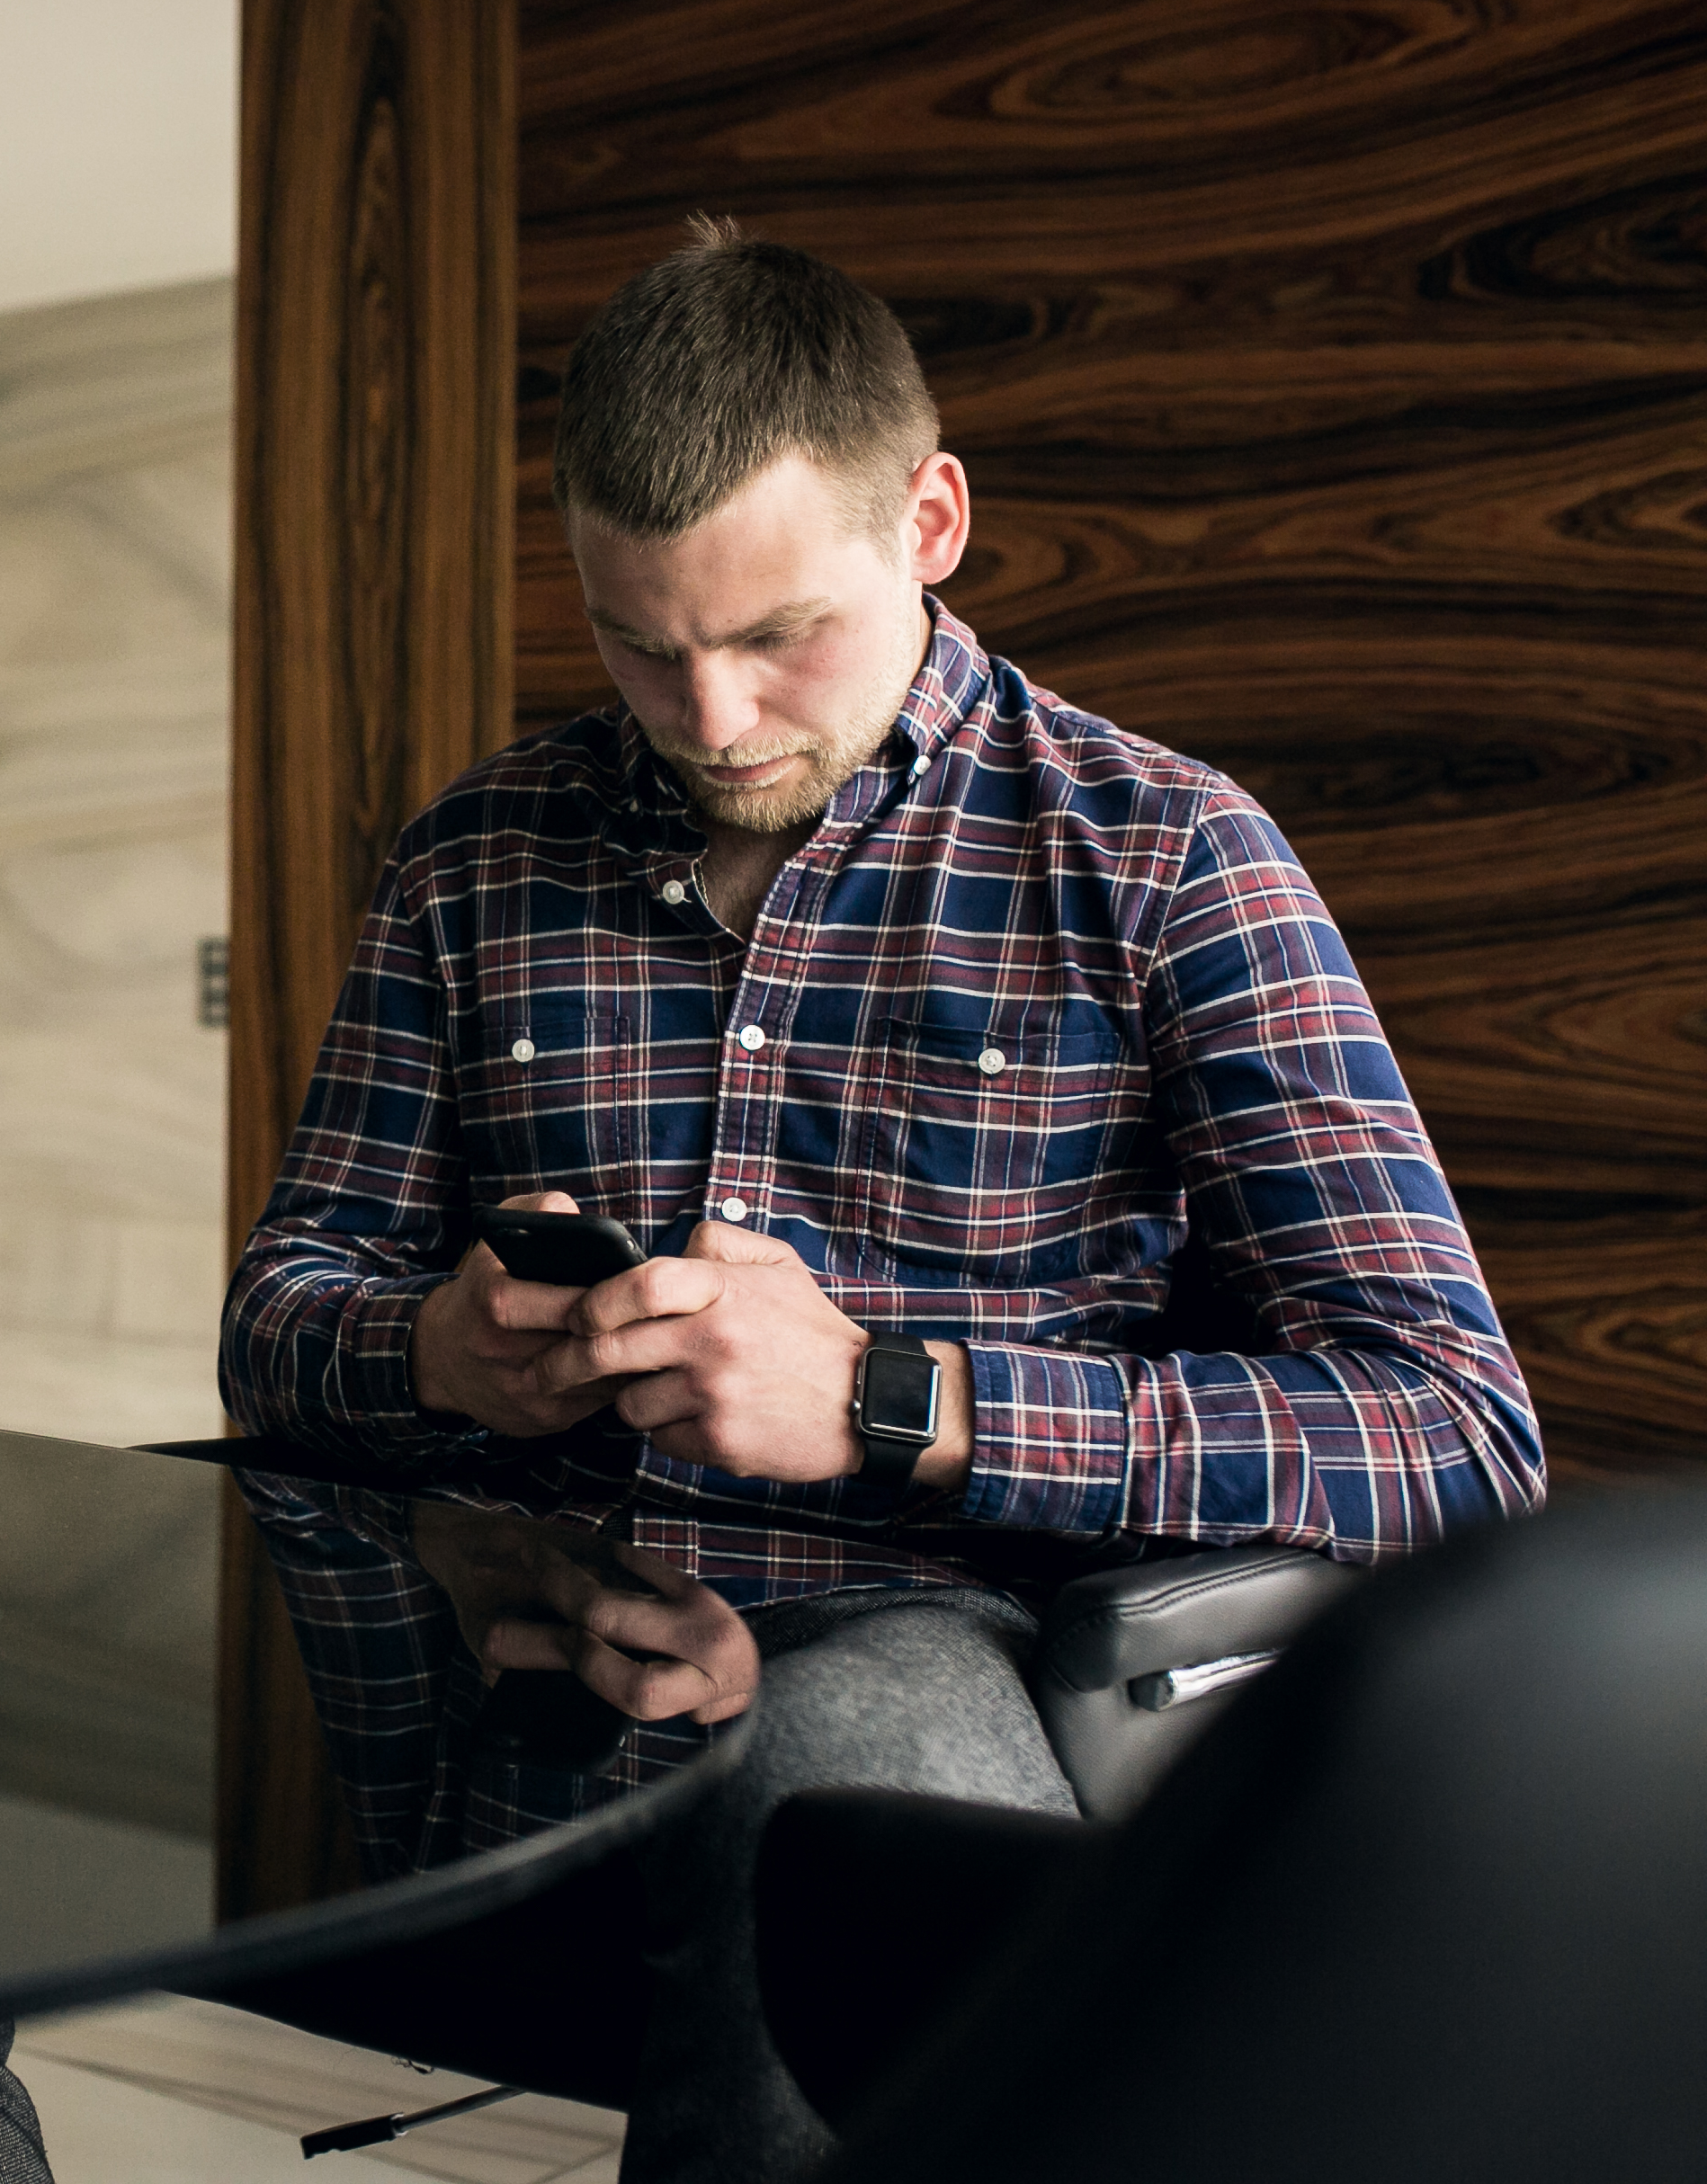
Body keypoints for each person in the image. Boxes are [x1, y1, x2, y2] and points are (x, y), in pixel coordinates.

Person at [220, 218, 1544, 2180]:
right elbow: (275, 1314)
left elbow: (1454, 1436)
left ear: (930, 521)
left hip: (945, 1680)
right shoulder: (474, 861)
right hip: (538, 1679)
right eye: (640, 644)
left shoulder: (1165, 858)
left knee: (847, 1765)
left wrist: (891, 1399)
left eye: (779, 636)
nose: (712, 716)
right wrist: (430, 1350)